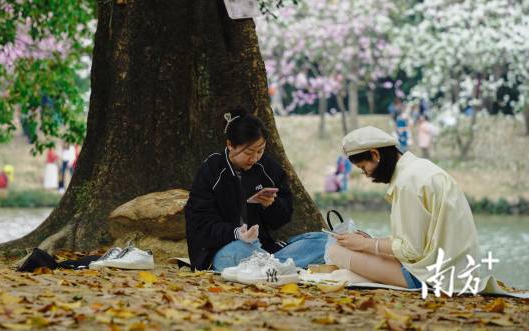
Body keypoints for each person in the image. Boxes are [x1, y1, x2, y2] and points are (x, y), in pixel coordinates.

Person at [326, 126, 481, 291]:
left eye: (364, 168)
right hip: (457, 270)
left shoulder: (408, 184)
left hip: (437, 277)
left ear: (375, 154)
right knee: (357, 250)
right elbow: (420, 242)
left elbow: (412, 251)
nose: (367, 175)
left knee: (335, 251)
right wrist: (368, 241)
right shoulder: (419, 169)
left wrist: (365, 244)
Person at [184, 107, 327, 272]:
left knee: (323, 241)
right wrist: (236, 233)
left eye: (260, 151)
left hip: (263, 247)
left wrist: (271, 205)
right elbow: (201, 224)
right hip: (223, 248)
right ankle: (279, 266)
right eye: (249, 152)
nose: (255, 158)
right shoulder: (212, 170)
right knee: (238, 252)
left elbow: (282, 219)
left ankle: (271, 266)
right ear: (230, 145)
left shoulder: (267, 168)